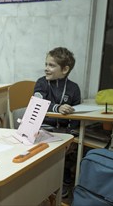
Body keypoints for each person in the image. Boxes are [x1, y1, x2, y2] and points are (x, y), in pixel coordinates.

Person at [33, 47, 81, 198]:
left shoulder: (74, 88)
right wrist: (57, 108)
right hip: (44, 127)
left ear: (65, 69)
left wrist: (73, 134)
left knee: (72, 145)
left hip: (65, 130)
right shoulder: (41, 83)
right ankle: (47, 182)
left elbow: (77, 114)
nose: (46, 68)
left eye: (51, 65)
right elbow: (37, 104)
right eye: (46, 64)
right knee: (50, 151)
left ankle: (63, 178)